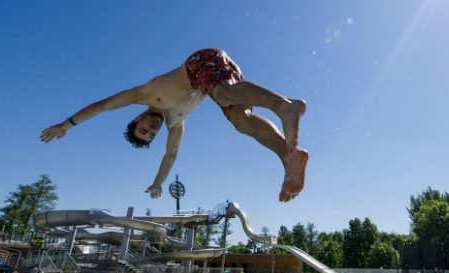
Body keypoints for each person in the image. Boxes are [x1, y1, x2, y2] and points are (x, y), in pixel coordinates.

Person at [41, 48, 308, 202]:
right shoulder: (175, 124)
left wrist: (67, 124)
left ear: (137, 118)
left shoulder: (141, 95)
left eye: (144, 129)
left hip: (202, 64)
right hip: (222, 84)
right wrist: (157, 184)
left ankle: (285, 106)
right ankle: (289, 157)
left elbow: (101, 106)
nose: (152, 129)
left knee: (224, 94)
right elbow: (170, 156)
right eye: (151, 135)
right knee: (240, 122)